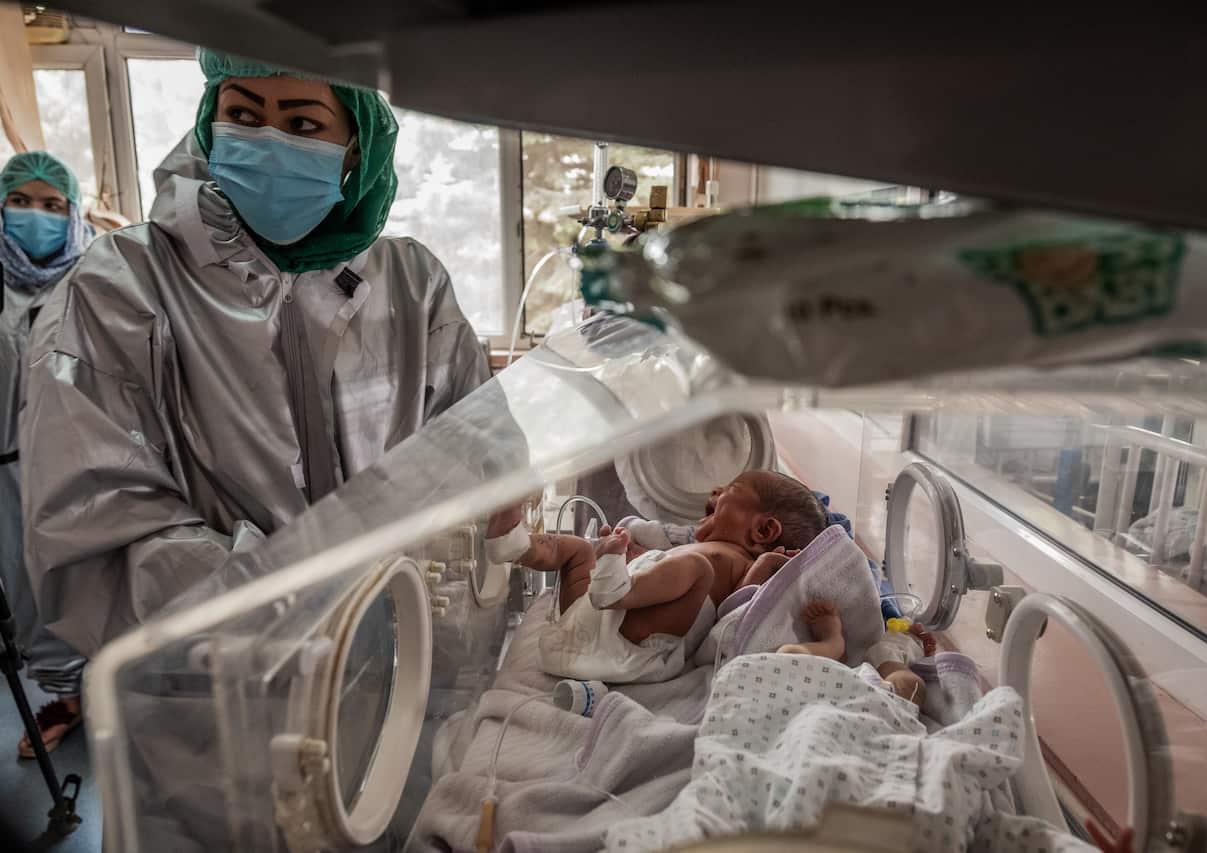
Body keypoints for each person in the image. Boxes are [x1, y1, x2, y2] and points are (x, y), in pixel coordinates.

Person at [18, 52, 491, 676]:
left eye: (302, 125)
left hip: (402, 667)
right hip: (217, 691)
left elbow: (472, 458)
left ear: (357, 145)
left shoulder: (412, 284)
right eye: (242, 113)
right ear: (211, 120)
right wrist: (296, 610)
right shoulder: (123, 286)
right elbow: (95, 532)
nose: (267, 142)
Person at [518, 470, 828, 683]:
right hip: (582, 630)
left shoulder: (743, 564)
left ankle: (616, 589)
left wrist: (764, 567)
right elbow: (664, 578)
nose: (715, 492)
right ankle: (514, 544)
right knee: (578, 551)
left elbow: (739, 616)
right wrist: (636, 559)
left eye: (731, 491)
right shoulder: (694, 549)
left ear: (763, 530)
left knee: (698, 568)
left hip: (632, 648)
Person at [0, 151, 94, 757]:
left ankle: (103, 687)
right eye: (21, 202)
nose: (38, 216)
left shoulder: (93, 276)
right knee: (23, 580)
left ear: (73, 212)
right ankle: (64, 695)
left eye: (53, 205)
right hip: (5, 465)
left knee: (85, 576)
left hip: (78, 457)